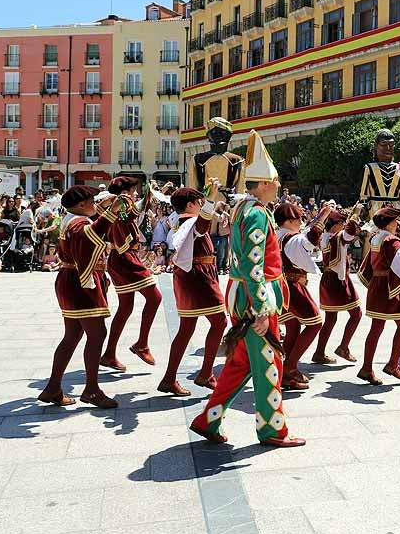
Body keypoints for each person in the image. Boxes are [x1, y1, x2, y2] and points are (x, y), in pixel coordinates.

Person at [189, 130, 305, 448]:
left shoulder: (246, 209)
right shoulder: (255, 214)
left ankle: (207, 420)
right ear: (265, 184)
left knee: (240, 363)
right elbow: (256, 267)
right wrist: (263, 309)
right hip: (256, 298)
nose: (279, 187)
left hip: (243, 295)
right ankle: (272, 430)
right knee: (270, 363)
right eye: (276, 182)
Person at [38, 185, 122, 409]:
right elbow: (89, 236)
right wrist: (111, 213)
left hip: (68, 279)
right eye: (92, 201)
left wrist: (105, 211)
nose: (95, 204)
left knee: (73, 334)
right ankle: (91, 390)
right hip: (81, 282)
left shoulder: (69, 218)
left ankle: (53, 387)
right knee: (97, 334)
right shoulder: (78, 223)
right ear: (82, 204)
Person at [158, 181, 228, 396]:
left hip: (189, 276)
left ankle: (170, 378)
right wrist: (210, 198)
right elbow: (204, 225)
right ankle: (206, 373)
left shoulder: (178, 220)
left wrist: (206, 196)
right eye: (198, 202)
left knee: (186, 329)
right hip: (199, 277)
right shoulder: (189, 221)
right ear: (190, 205)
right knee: (220, 322)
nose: (200, 205)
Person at [100, 177, 163, 371]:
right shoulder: (118, 206)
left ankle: (109, 353)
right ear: (125, 192)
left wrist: (149, 194)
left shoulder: (120, 207)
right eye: (133, 191)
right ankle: (141, 344)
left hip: (122, 258)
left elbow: (136, 210)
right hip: (125, 258)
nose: (135, 194)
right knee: (155, 298)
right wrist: (148, 194)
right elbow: (133, 211)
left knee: (126, 307)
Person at [356, 206, 400, 385]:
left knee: (377, 327)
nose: (398, 224)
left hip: (377, 286)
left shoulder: (376, 238)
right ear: (389, 223)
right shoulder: (390, 239)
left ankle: (367, 367)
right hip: (389, 288)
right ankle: (392, 364)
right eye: (395, 221)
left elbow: (368, 265)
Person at [273, 201, 327, 391]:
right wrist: (321, 219)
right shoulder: (291, 236)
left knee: (293, 326)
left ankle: (283, 369)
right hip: (293, 286)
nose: (300, 222)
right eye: (298, 218)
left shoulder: (275, 236)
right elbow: (309, 241)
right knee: (315, 323)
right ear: (289, 220)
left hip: (280, 286)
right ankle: (290, 365)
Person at [312, 206, 364, 364]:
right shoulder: (336, 237)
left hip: (328, 279)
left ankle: (320, 352)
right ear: (336, 224)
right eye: (342, 222)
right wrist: (355, 215)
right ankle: (343, 347)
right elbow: (350, 234)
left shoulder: (327, 236)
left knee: (331, 318)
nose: (344, 225)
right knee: (356, 314)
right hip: (338, 280)